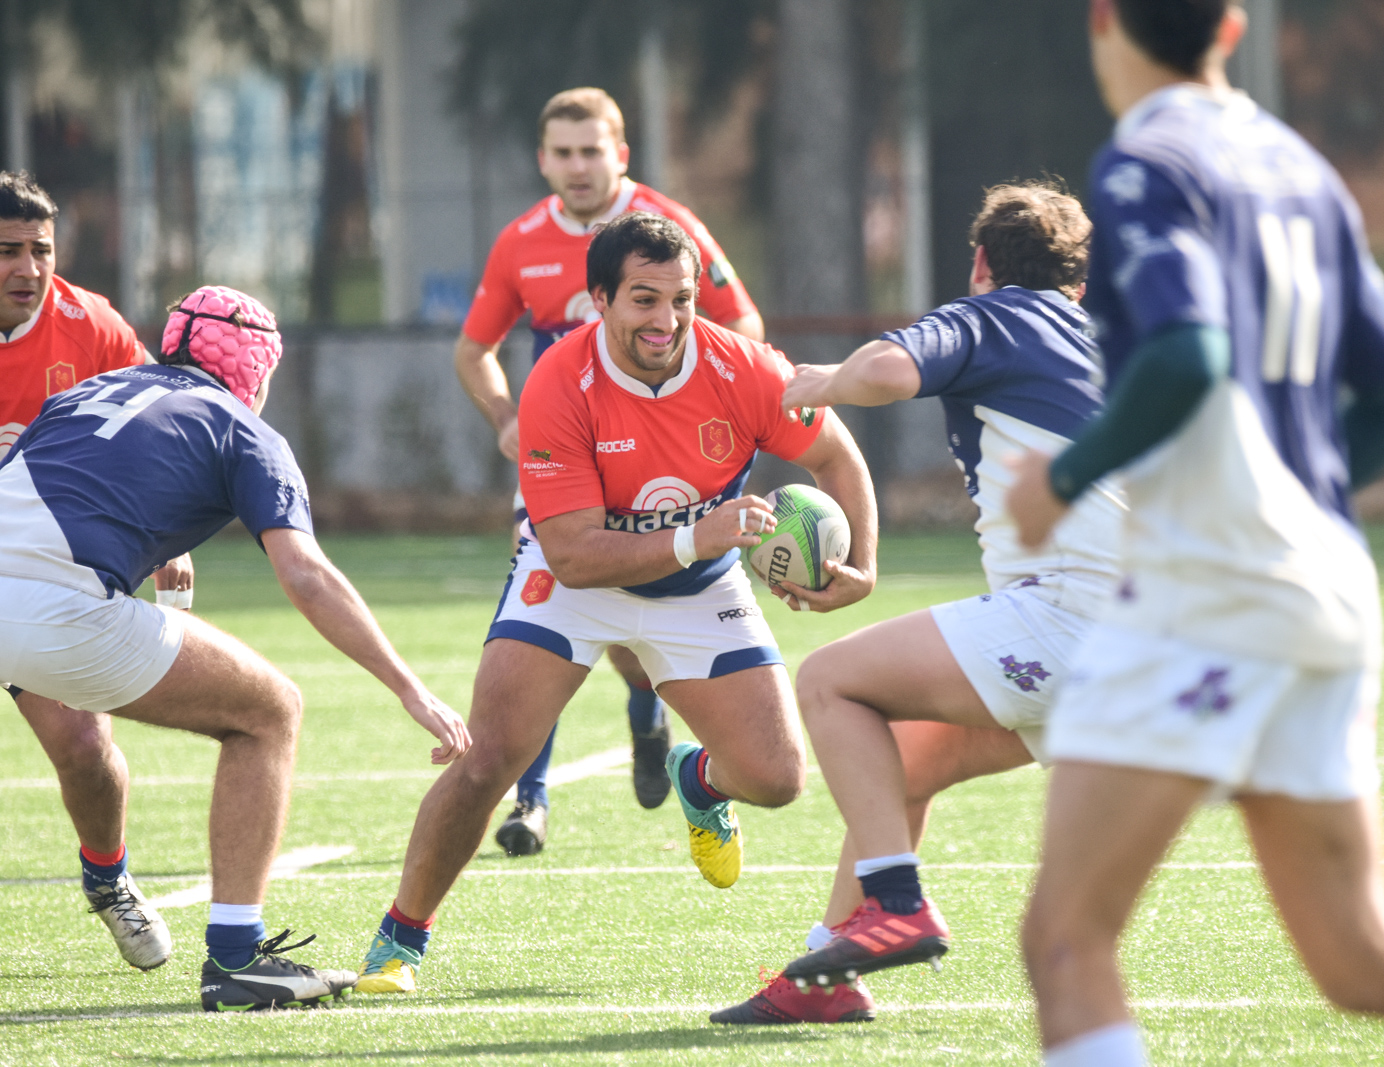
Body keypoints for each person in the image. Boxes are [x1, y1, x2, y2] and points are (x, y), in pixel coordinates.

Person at [1005, 3, 1384, 1064]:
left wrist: (1066, 475)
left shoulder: (1146, 160)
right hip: (1323, 580)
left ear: (1102, 20)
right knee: (1362, 960)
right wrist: (1293, 504)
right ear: (1232, 27)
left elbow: (1185, 354)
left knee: (1064, 938)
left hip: (1210, 590)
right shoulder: (1298, 165)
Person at [353, 211, 877, 996]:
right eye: (643, 299)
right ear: (599, 298)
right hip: (572, 584)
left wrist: (861, 565)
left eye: (681, 299)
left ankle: (697, 780)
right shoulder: (560, 382)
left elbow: (837, 453)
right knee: (491, 758)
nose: (666, 320)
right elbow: (570, 551)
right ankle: (399, 940)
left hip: (699, 582)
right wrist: (699, 535)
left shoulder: (746, 368)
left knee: (776, 778)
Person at [710, 182, 1123, 1025]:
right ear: (1080, 282)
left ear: (980, 264)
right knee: (907, 761)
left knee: (828, 680)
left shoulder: (996, 315)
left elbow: (893, 370)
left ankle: (895, 902)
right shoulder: (1111, 342)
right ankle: (827, 975)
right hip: (1160, 636)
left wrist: (826, 379)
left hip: (1074, 615)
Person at [0, 284, 470, 1012]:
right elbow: (306, 575)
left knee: (87, 746)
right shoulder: (244, 430)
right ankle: (236, 956)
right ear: (256, 366)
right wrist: (409, 686)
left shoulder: (94, 390)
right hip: (56, 605)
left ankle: (116, 880)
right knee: (269, 711)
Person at [455, 87, 766, 857]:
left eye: (592, 150)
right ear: (543, 160)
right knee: (549, 613)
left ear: (621, 154)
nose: (578, 166)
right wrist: (505, 418)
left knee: (632, 634)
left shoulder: (670, 228)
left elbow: (745, 326)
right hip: (564, 464)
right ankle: (532, 800)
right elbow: (472, 351)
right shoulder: (519, 242)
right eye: (563, 153)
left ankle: (644, 707)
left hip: (657, 469)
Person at [0, 170, 193, 971]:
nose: (27, 267)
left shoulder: (92, 325)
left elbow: (163, 415)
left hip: (42, 574)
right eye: (7, 250)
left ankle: (107, 878)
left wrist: (170, 532)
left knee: (83, 743)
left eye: (40, 249)